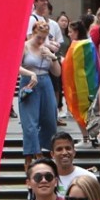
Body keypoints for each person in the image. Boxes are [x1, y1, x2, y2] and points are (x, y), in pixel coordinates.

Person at [18, 19, 62, 169]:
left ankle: (45, 149)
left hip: (45, 82)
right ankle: (35, 154)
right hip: (29, 83)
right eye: (39, 37)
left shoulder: (46, 48)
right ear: (33, 34)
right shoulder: (24, 47)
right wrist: (30, 73)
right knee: (30, 122)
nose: (41, 41)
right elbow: (15, 67)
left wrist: (52, 56)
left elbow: (57, 72)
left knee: (50, 119)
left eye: (44, 38)